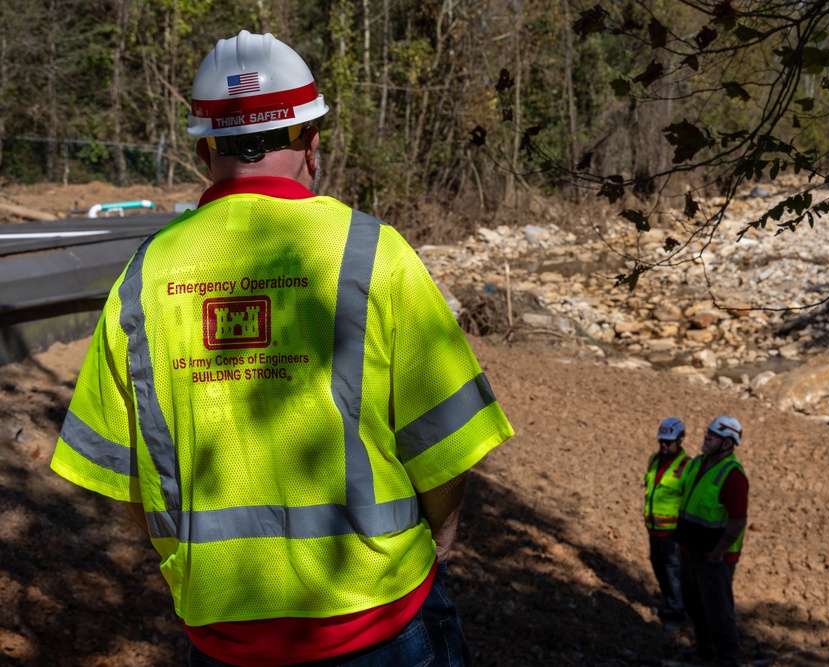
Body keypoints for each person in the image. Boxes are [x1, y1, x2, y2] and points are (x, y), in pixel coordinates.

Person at [49, 30, 514, 667]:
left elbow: (120, 473)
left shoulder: (141, 278)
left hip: (224, 636)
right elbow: (443, 440)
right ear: (311, 140)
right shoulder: (373, 253)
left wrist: (192, 559)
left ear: (205, 148)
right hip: (379, 620)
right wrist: (445, 527)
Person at [674, 415, 749, 667]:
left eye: (713, 435)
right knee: (695, 606)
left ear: (728, 444)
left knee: (718, 612)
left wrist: (718, 553)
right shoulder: (697, 464)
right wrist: (680, 542)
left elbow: (738, 520)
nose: (706, 437)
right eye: (707, 432)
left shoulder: (733, 476)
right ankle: (705, 651)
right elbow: (687, 504)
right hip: (690, 551)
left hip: (714, 558)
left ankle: (727, 659)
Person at [643, 417, 691, 632]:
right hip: (654, 529)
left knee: (673, 571)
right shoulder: (653, 460)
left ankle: (676, 611)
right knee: (658, 566)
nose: (664, 445)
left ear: (680, 440)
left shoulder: (686, 466)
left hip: (672, 533)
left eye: (668, 441)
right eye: (661, 440)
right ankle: (670, 603)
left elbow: (688, 502)